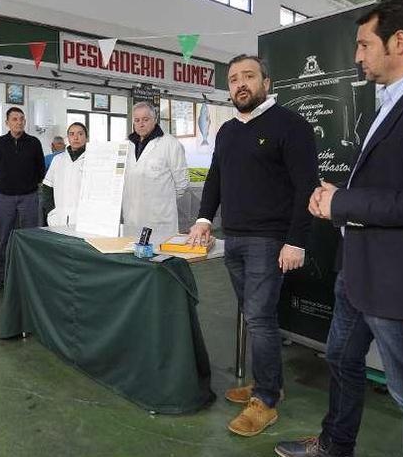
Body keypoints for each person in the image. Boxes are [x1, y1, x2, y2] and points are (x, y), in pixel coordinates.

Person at [275, 0, 403, 457]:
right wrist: (338, 192)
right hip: (360, 272)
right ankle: (334, 445)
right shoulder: (393, 101)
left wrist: (342, 202)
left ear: (398, 41)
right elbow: (389, 182)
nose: (358, 56)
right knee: (343, 360)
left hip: (399, 283)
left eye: (365, 44)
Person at [187, 54, 319, 437]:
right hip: (234, 238)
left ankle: (266, 401)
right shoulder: (228, 131)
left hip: (270, 240)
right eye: (233, 79)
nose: (240, 84)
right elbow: (216, 178)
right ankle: (268, 382)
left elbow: (305, 187)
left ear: (267, 82)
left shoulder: (290, 125)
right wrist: (203, 219)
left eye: (248, 76)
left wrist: (296, 240)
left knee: (259, 319)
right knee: (253, 315)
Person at [0, 107, 44, 291]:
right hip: (5, 198)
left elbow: (40, 169)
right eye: (14, 119)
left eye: (21, 119)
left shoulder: (34, 143)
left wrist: (30, 185)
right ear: (7, 122)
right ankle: (0, 276)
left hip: (29, 197)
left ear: (25, 121)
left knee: (31, 238)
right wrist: (5, 185)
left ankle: (31, 277)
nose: (18, 122)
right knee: (4, 238)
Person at [121, 102, 188, 237]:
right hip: (131, 219)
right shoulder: (126, 146)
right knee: (130, 253)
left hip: (160, 221)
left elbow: (182, 184)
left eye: (145, 119)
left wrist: (162, 203)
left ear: (154, 119)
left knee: (158, 256)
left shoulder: (170, 144)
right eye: (137, 120)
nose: (141, 124)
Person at [42, 122, 88, 226]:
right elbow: (47, 187)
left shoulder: (92, 160)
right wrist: (50, 211)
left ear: (86, 138)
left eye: (80, 134)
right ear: (67, 138)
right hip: (59, 218)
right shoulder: (58, 160)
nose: (76, 137)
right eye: (72, 134)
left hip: (84, 218)